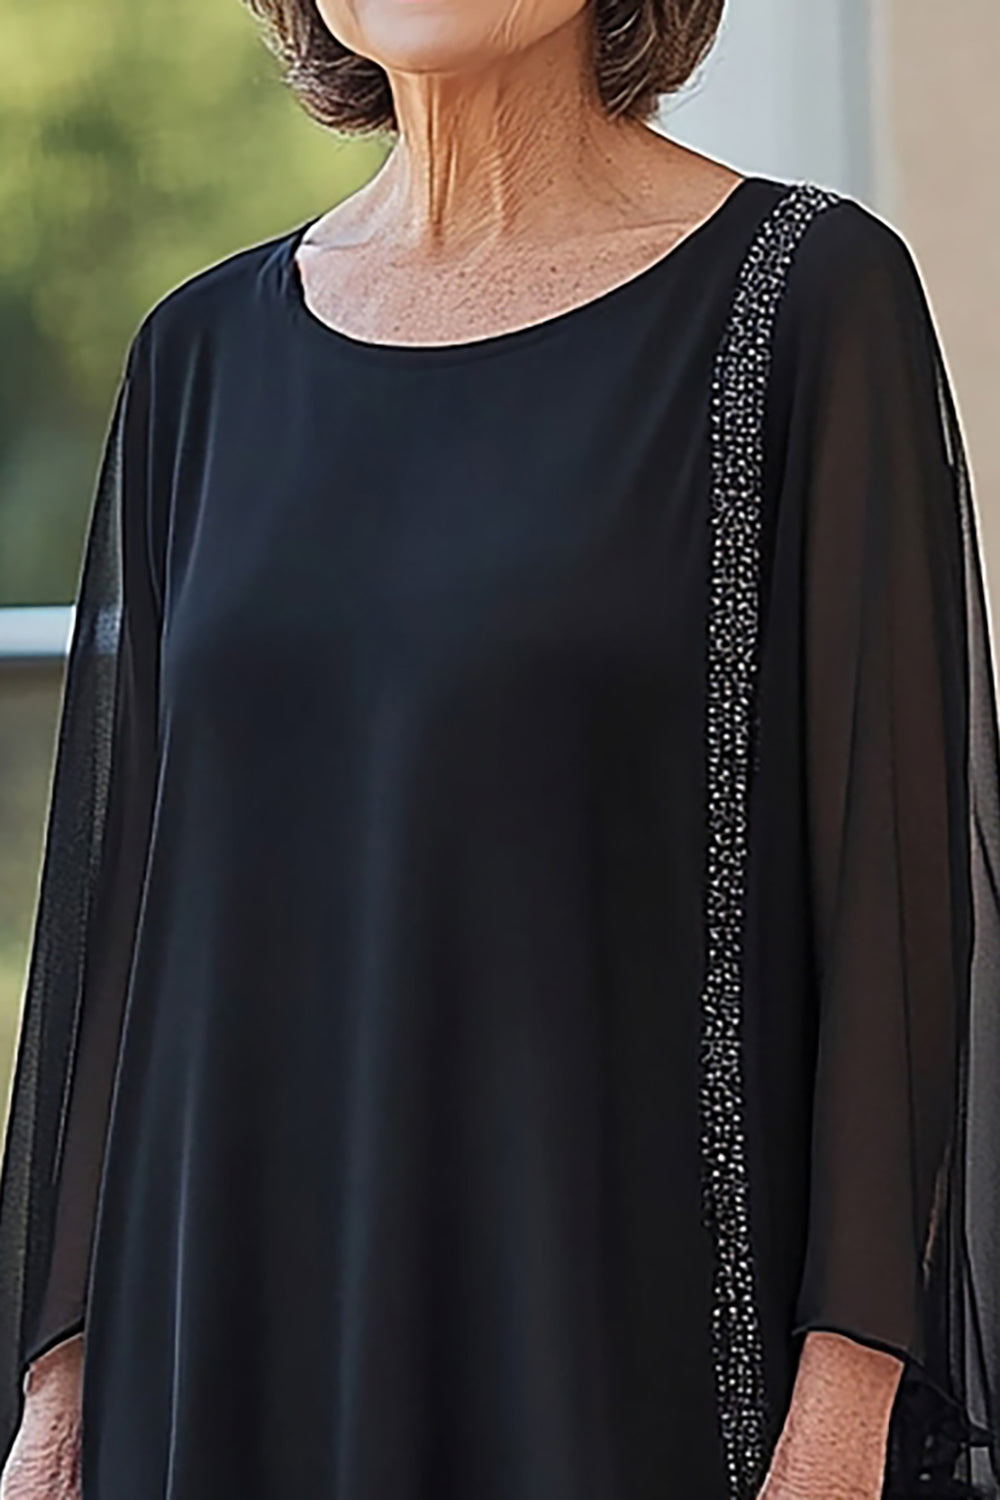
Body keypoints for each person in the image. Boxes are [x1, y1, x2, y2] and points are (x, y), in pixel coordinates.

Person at [0, 0, 998, 1495]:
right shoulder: (194, 357)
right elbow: (119, 945)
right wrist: (59, 1402)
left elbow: (893, 916)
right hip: (224, 1359)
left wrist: (840, 1428)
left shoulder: (804, 301)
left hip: (619, 1364)